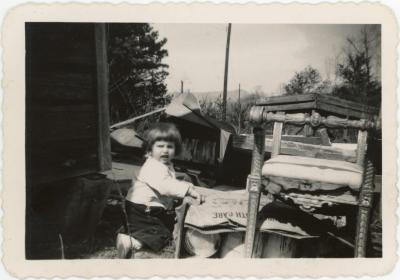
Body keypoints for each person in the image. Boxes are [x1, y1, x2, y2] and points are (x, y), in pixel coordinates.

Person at [116, 122, 204, 258]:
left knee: (159, 223)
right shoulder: (153, 166)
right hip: (144, 209)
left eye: (170, 147)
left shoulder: (163, 164)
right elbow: (165, 185)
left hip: (140, 208)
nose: (165, 150)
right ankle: (133, 242)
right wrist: (188, 190)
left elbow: (167, 183)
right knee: (164, 233)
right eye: (160, 146)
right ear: (150, 149)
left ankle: (129, 233)